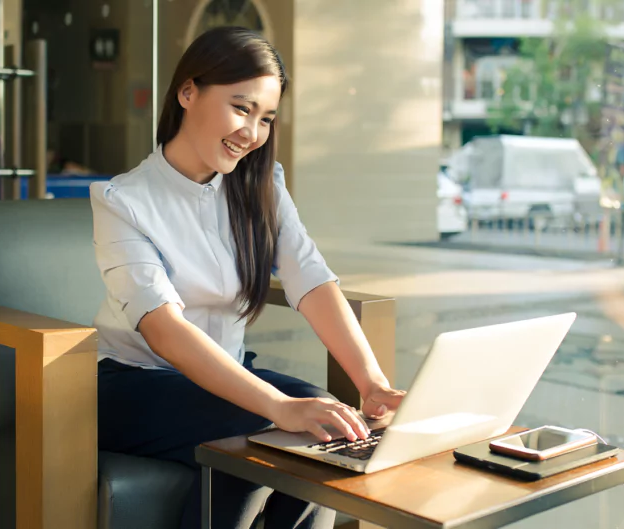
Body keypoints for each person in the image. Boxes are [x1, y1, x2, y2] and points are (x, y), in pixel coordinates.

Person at [89, 26, 405, 529]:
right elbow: (163, 329)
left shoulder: (262, 184)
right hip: (131, 386)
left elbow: (313, 281)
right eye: (241, 108)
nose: (252, 133)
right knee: (258, 428)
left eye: (266, 118)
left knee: (333, 421)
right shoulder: (121, 200)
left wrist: (372, 384)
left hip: (227, 376)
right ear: (187, 91)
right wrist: (278, 406)